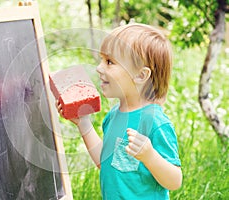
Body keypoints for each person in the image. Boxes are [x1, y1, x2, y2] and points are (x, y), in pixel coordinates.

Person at [56, 23, 182, 199]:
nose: (99, 68)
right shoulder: (114, 116)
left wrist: (150, 156)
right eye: (101, 60)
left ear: (140, 76)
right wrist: (83, 123)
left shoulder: (155, 122)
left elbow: (174, 181)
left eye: (109, 62)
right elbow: (105, 162)